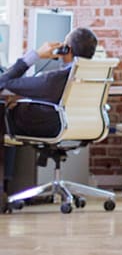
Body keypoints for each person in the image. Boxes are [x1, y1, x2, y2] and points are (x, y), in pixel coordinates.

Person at [0, 28, 98, 195]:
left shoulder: (54, 79)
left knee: (3, 113)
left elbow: (3, 81)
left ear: (67, 49)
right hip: (81, 125)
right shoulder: (92, 75)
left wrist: (36, 55)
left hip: (52, 126)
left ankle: (3, 189)